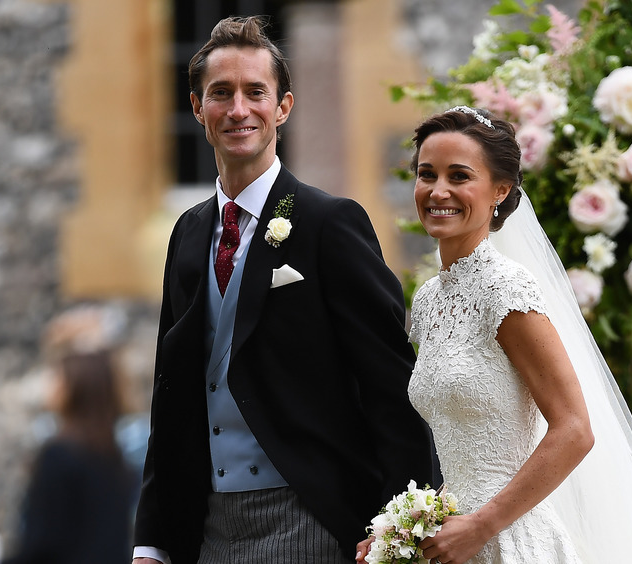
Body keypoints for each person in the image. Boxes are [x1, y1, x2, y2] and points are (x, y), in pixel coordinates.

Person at [132, 15, 436, 564]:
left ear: (284, 107)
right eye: (220, 94)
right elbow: (170, 396)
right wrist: (152, 542)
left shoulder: (329, 223)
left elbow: (392, 388)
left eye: (256, 92)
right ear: (198, 109)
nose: (239, 109)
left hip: (312, 518)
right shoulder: (189, 232)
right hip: (207, 529)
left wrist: (406, 530)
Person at [357, 107, 632, 564]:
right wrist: (403, 530)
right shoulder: (430, 299)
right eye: (426, 174)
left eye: (459, 176)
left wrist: (483, 525)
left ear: (500, 190)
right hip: (453, 538)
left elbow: (575, 429)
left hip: (508, 540)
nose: (438, 191)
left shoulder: (507, 289)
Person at [2, 349, 137, 564]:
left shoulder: (59, 457)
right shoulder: (115, 460)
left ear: (76, 388)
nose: (49, 385)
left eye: (57, 378)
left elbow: (43, 545)